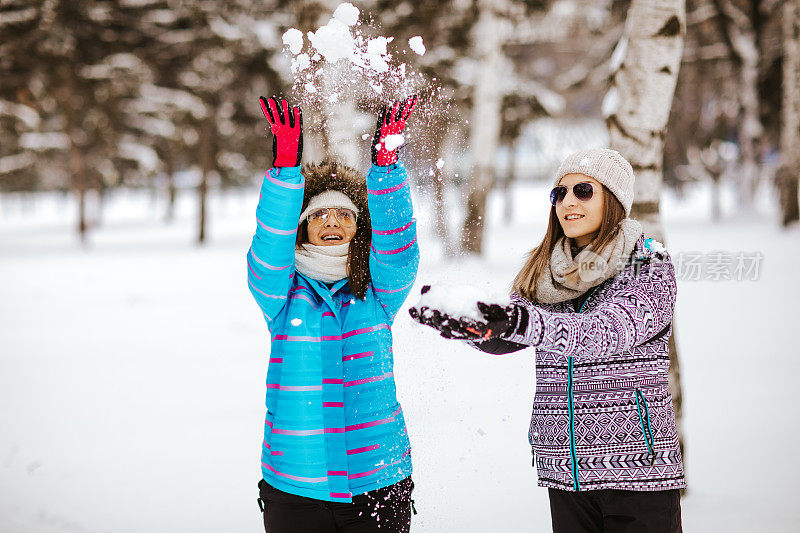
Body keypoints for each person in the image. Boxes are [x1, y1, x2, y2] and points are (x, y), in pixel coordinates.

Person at [410, 149, 685, 533]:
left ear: (615, 199)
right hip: (564, 471)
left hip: (636, 473)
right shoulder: (548, 271)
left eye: (584, 190)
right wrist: (475, 326)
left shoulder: (646, 263)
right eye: (559, 193)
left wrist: (519, 321)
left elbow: (603, 332)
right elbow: (516, 332)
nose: (568, 202)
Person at [248, 95, 419, 533]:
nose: (332, 222)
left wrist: (384, 169)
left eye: (344, 214)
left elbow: (397, 247)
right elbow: (269, 250)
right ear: (301, 226)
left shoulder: (378, 292)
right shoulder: (282, 297)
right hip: (295, 486)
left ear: (360, 226)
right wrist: (286, 173)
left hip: (379, 482)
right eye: (318, 213)